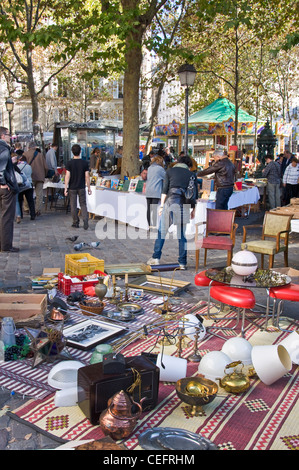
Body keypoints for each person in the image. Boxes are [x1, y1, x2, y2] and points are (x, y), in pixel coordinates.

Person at [147, 155, 198, 269]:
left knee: (162, 232)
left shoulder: (170, 171)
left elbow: (165, 190)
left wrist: (161, 206)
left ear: (178, 162)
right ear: (188, 165)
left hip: (169, 203)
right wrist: (193, 209)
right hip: (184, 205)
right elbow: (194, 195)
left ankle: (155, 258)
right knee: (181, 235)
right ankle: (182, 262)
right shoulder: (191, 175)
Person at [0, 126, 19, 252]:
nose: (9, 136)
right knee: (7, 217)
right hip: (5, 187)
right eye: (8, 134)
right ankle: (6, 245)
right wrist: (2, 183)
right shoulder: (3, 148)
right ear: (2, 136)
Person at [64, 144, 91, 229]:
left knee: (73, 205)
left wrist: (65, 188)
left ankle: (75, 222)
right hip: (81, 186)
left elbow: (67, 176)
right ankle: (85, 220)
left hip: (72, 187)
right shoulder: (84, 163)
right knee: (83, 204)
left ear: (72, 152)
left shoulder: (69, 163)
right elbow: (87, 176)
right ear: (80, 152)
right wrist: (89, 187)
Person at [24, 142, 48, 216]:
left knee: (26, 193)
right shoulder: (40, 155)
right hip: (40, 176)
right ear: (35, 147)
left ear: (28, 147)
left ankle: (27, 208)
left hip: (29, 177)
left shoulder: (25, 154)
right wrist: (44, 175)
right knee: (39, 194)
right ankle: (38, 210)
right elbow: (46, 167)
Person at [145, 156, 166, 228]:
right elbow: (165, 178)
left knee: (149, 209)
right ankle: (153, 226)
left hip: (148, 190)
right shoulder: (160, 169)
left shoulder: (149, 168)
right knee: (153, 208)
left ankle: (149, 225)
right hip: (156, 190)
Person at [17, 155, 36, 221]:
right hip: (28, 184)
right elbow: (31, 173)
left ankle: (20, 214)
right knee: (30, 200)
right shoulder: (29, 166)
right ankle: (33, 214)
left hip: (20, 184)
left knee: (19, 200)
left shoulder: (17, 166)